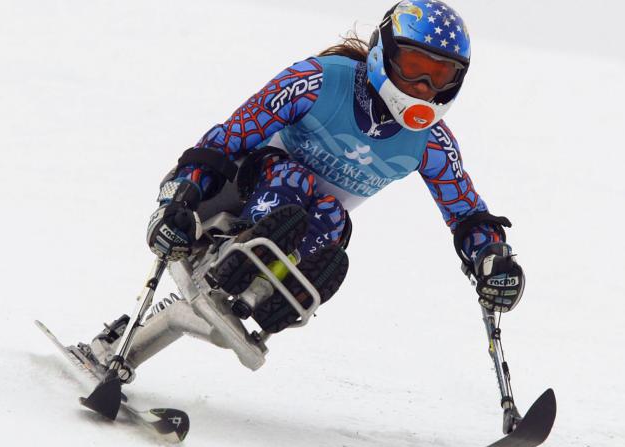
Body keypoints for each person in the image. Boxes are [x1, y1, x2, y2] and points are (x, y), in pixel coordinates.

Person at [146, 0, 525, 334]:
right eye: (413, 68)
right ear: (384, 53)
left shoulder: (431, 142)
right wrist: (178, 195)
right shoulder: (317, 81)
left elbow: (467, 213)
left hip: (299, 229)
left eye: (441, 76)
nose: (424, 88)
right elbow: (225, 140)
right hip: (234, 196)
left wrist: (493, 258)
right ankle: (240, 251)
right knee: (294, 179)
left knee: (334, 216)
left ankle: (268, 288)